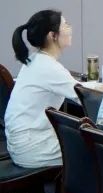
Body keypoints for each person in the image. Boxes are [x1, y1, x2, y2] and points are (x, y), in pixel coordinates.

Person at [4, 10, 77, 168]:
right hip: (32, 148)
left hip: (20, 143)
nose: (70, 28)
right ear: (53, 36)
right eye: (66, 25)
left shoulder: (34, 60)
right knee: (93, 150)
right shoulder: (49, 67)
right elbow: (84, 96)